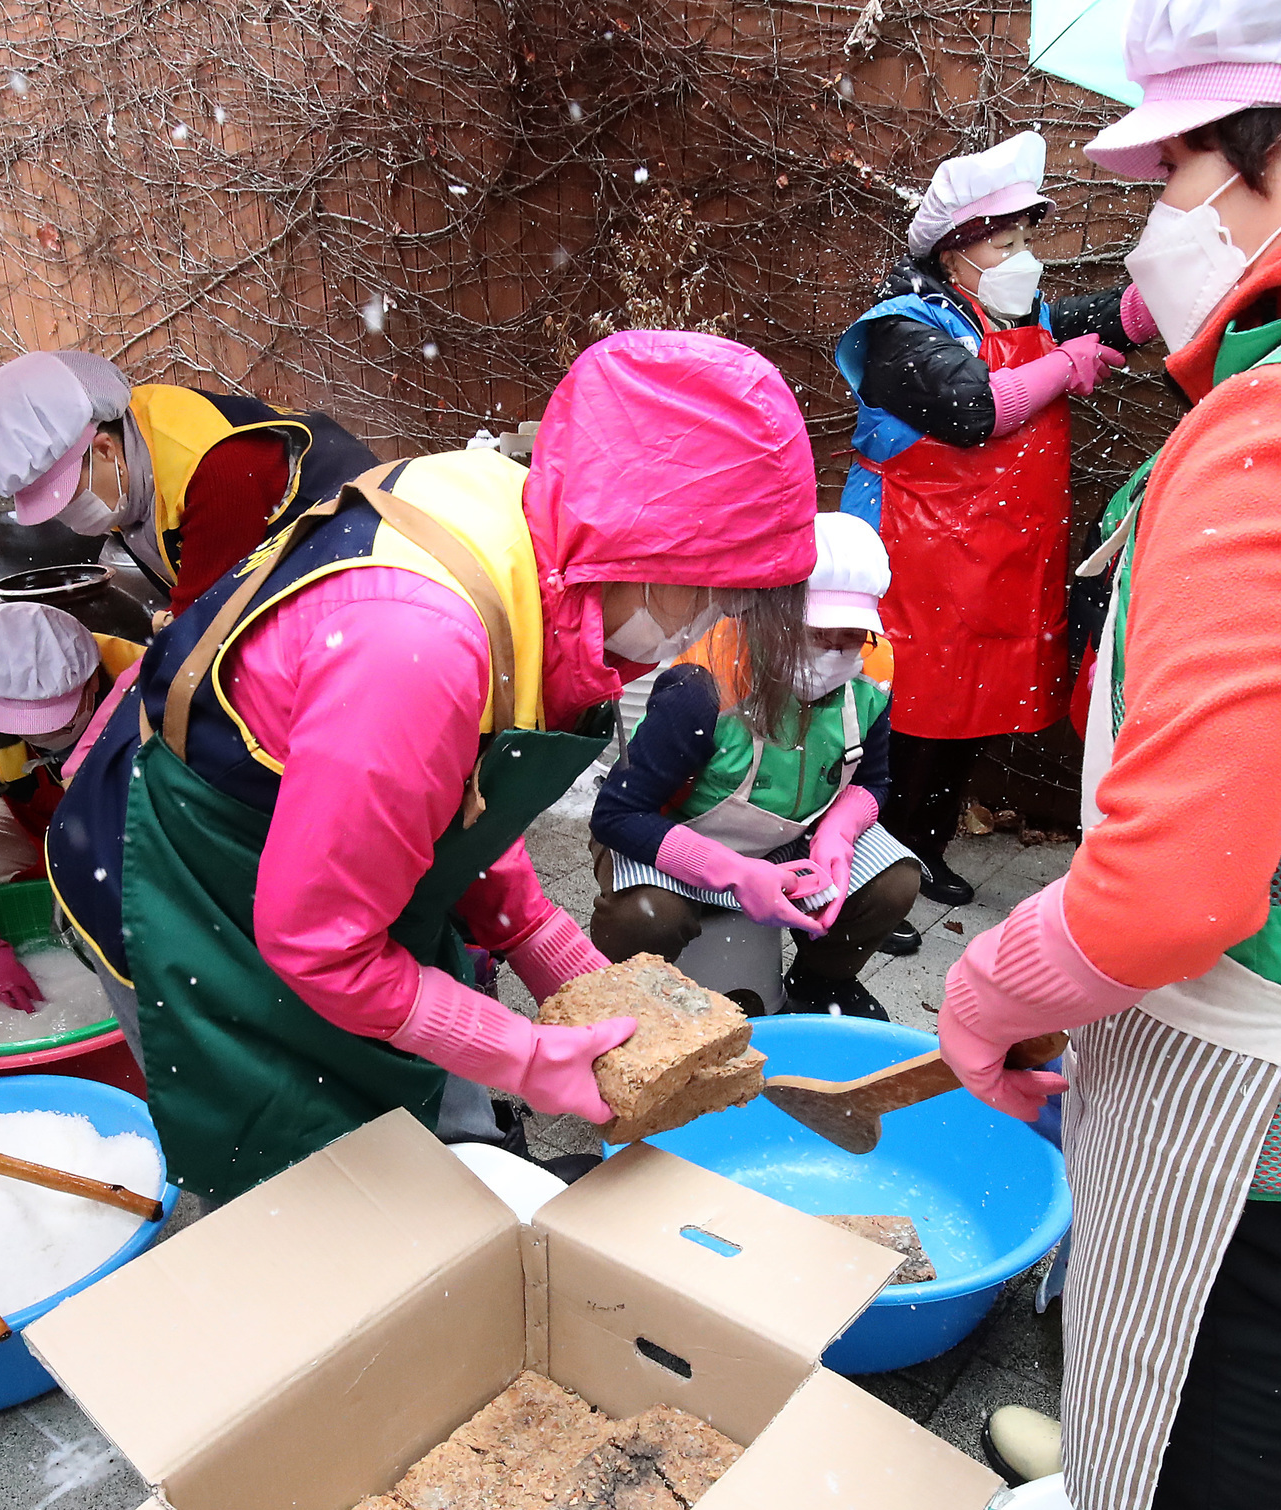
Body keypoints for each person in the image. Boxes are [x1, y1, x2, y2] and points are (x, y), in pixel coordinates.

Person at [932, 3, 1281, 1510]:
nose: (1158, 205)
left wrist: (989, 986)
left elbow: (1164, 897)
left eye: (1187, 161)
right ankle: (1137, 1445)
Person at [47, 331, 818, 1204]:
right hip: (182, 881)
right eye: (711, 589)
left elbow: (453, 789)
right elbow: (320, 947)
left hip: (313, 855)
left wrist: (549, 950)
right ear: (634, 542)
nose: (716, 620)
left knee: (405, 1116)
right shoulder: (415, 641)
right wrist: (524, 1058)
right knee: (298, 1176)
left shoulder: (543, 547)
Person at [835, 130, 1156, 930]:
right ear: (955, 253)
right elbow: (974, 406)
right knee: (906, 717)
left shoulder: (1020, 313)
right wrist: (1062, 366)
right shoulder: (901, 331)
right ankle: (873, 870)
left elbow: (1110, 322)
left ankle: (923, 847)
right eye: (1006, 242)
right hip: (916, 560)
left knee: (973, 712)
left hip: (996, 561)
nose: (1025, 258)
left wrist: (1171, 288)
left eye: (1025, 240)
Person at [588, 512, 920, 1018]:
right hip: (670, 833)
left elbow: (872, 781)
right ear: (768, 616)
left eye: (851, 635)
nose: (835, 653)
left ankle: (819, 981)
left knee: (893, 880)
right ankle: (625, 1003)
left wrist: (840, 831)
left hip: (787, 834)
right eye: (815, 633)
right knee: (647, 920)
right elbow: (616, 815)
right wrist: (733, 873)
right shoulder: (701, 690)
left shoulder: (870, 677)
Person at [0, 352, 372, 619]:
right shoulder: (130, 451)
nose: (69, 518)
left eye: (66, 496)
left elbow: (206, 630)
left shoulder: (215, 468)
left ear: (103, 450)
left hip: (366, 578)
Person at [0, 603, 144, 1013]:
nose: (42, 736)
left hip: (146, 825)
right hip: (46, 826)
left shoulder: (155, 683)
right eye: (21, 724)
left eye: (58, 722)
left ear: (93, 681)